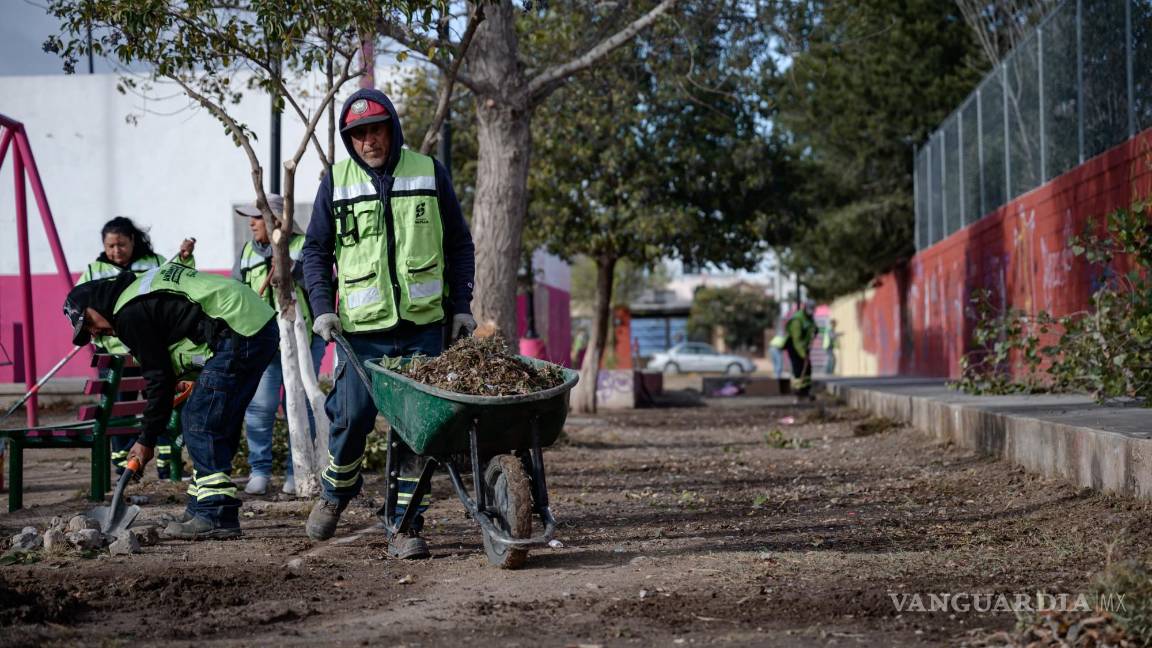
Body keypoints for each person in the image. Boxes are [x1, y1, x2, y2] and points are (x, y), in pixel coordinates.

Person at [301, 89, 476, 559]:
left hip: (423, 328)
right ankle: (336, 493)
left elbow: (459, 243)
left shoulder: (428, 171)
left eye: (376, 129)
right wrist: (322, 306)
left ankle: (404, 524)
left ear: (392, 128)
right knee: (352, 417)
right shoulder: (334, 182)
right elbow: (314, 252)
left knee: (416, 431)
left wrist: (461, 305)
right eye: (358, 134)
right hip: (361, 333)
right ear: (349, 139)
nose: (368, 141)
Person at [62, 263, 278, 539]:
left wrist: (146, 440)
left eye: (89, 323)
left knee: (201, 420)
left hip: (239, 329)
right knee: (213, 418)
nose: (94, 332)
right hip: (253, 323)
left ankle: (215, 515)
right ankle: (198, 508)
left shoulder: (128, 314)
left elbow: (159, 380)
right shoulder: (135, 291)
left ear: (95, 304)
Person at [80, 217, 197, 480]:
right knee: (121, 411)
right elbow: (80, 314)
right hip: (116, 357)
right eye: (110, 246)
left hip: (152, 349)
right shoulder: (94, 271)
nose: (116, 251)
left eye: (121, 244)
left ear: (133, 241)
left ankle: (167, 465)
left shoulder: (154, 263)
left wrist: (185, 258)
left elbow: (173, 284)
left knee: (160, 401)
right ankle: (126, 470)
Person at [233, 194, 326, 496]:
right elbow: (237, 293)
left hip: (302, 341)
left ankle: (295, 469)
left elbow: (319, 281)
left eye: (257, 217)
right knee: (259, 409)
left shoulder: (300, 246)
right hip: (263, 343)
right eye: (251, 217)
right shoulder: (247, 253)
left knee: (299, 408)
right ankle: (259, 470)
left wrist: (289, 267)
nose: (251, 223)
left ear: (277, 220)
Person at [783, 301, 817, 402]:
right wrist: (803, 354)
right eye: (809, 310)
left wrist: (815, 331)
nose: (811, 312)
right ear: (805, 308)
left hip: (804, 347)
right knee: (798, 369)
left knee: (808, 368)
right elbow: (796, 340)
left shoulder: (810, 318)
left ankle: (806, 391)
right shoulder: (797, 320)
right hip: (794, 347)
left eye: (813, 310)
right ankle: (798, 393)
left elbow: (812, 328)